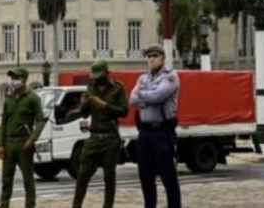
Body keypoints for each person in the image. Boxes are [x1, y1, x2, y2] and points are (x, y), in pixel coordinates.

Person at [130, 44, 182, 208]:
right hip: (144, 133)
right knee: (146, 179)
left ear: (162, 58)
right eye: (149, 56)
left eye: (154, 55)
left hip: (161, 132)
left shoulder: (171, 76)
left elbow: (158, 96)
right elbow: (132, 99)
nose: (151, 59)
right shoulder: (143, 77)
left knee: (169, 180)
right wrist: (148, 96)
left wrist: (143, 95)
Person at [71, 60, 129, 208]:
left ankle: (108, 206)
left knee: (109, 176)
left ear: (106, 72)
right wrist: (83, 105)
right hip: (93, 138)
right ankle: (76, 205)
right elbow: (84, 115)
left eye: (98, 75)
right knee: (82, 175)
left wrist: (104, 105)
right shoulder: (91, 88)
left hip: (110, 138)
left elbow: (124, 111)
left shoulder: (117, 88)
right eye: (94, 76)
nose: (95, 78)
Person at [0, 67, 46, 208]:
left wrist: (32, 140)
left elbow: (41, 120)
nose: (13, 81)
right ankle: (4, 205)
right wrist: (1, 144)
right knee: (6, 180)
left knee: (28, 180)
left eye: (16, 78)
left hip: (24, 143)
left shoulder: (32, 98)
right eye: (12, 78)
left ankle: (30, 205)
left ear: (24, 79)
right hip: (9, 144)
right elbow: (4, 123)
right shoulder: (8, 99)